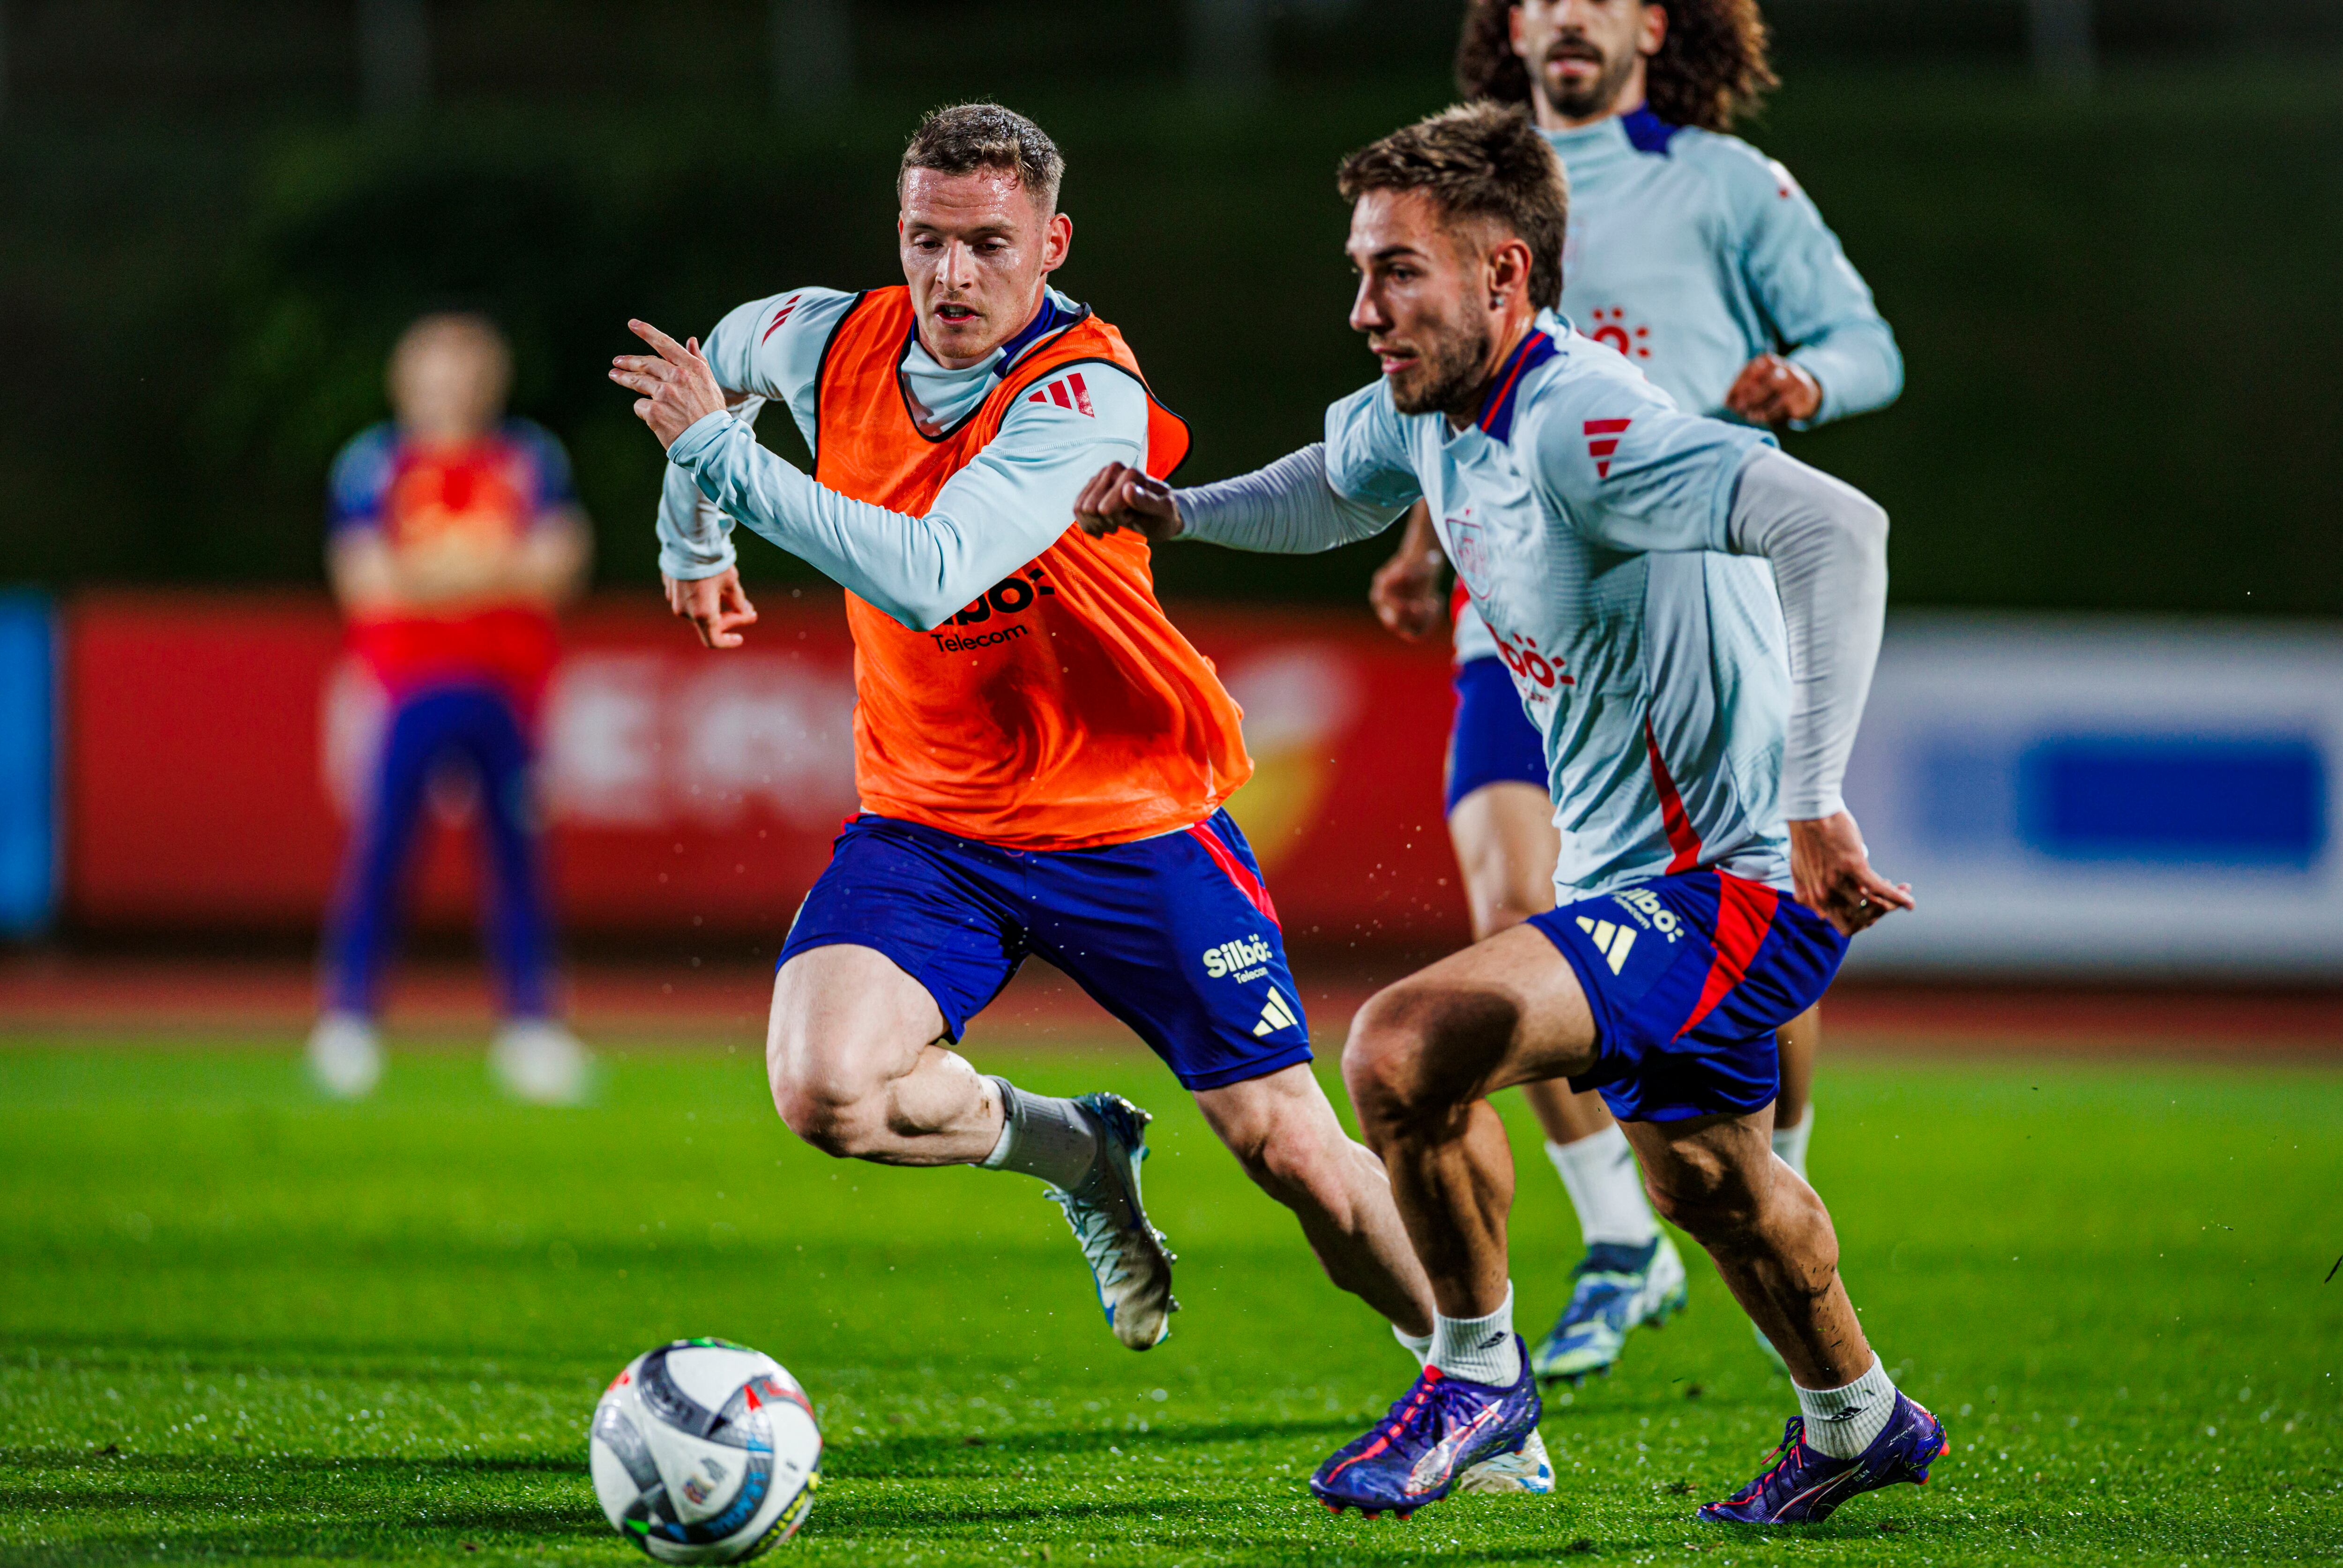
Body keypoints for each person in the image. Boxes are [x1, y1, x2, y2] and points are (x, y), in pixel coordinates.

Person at [607, 103, 1551, 1495]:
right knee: (824, 1089)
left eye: (990, 244)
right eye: (928, 240)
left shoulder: (1085, 392)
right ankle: (1078, 1150)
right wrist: (692, 530)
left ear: (1051, 243)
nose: (953, 277)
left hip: (1131, 818)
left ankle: (1486, 1390)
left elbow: (930, 570)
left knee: (1289, 1149)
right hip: (932, 822)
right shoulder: (818, 332)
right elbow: (712, 369)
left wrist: (718, 470)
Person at [1074, 103, 1947, 1523]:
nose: (1365, 309)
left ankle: (1475, 1373)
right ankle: (1858, 1416)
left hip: (1726, 884)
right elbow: (1330, 483)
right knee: (1717, 1191)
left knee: (1405, 1049)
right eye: (1360, 271)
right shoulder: (1432, 416)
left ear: (1505, 278)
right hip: (1632, 884)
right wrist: (1177, 516)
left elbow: (1837, 527)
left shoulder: (1582, 422)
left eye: (1399, 273)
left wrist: (1813, 802)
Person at [1365, 0, 1904, 1385]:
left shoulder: (1721, 178)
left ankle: (1766, 1176)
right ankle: (1618, 1236)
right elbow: (1445, 411)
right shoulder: (1463, 184)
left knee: (1735, 887)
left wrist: (1808, 380)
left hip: (1687, 593)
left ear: (1654, 24)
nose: (1562, 15)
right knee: (1507, 896)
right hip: (1520, 602)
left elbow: (1868, 346)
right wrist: (1425, 539)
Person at [310, 312, 595, 1104]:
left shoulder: (529, 458)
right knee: (382, 854)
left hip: (510, 692)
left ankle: (531, 1025)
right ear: (407, 378)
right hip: (404, 689)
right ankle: (351, 1020)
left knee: (517, 860)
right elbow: (369, 582)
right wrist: (495, 565)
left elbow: (559, 566)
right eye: (437, 368)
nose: (453, 385)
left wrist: (434, 570)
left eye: (468, 368)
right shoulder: (373, 465)